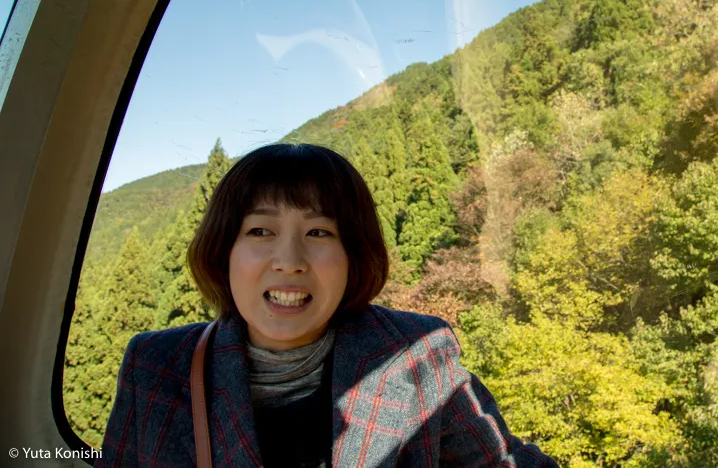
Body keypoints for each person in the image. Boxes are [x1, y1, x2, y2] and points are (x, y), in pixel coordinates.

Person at [96, 143, 558, 467]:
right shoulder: (155, 367)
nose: (290, 262)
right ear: (224, 251)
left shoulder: (418, 355)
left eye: (319, 233)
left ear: (353, 255)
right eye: (260, 231)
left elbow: (502, 463)